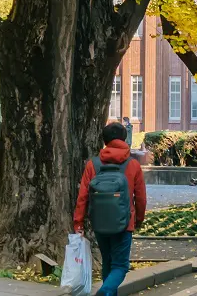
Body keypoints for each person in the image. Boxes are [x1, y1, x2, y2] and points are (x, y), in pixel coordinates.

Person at [73, 122, 147, 296]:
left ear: (105, 140)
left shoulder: (93, 165)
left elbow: (82, 197)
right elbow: (141, 197)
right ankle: (105, 291)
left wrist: (78, 223)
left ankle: (107, 292)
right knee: (120, 266)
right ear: (124, 138)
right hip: (124, 223)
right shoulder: (133, 165)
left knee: (107, 262)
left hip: (100, 223)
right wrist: (139, 219)